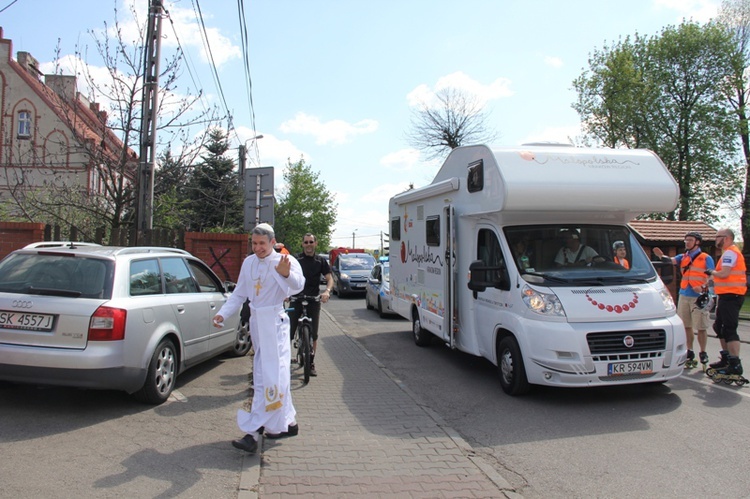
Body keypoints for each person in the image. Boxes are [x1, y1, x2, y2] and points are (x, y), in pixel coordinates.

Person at [213, 223, 305, 454]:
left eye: (262, 244)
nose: (257, 248)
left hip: (274, 323)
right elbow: (239, 294)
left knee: (270, 378)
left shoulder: (285, 261)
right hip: (257, 322)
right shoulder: (249, 263)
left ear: (273, 242)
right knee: (269, 375)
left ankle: (253, 433)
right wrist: (223, 313)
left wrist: (285, 274)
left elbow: (298, 286)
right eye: (254, 243)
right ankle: (288, 423)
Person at [653, 231, 715, 369]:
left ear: (697, 242)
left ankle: (703, 352)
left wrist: (704, 286)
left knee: (701, 326)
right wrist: (660, 256)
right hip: (684, 294)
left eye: (690, 240)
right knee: (686, 325)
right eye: (685, 240)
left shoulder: (706, 258)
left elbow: (713, 277)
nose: (687, 242)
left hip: (698, 297)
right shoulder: (683, 257)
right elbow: (670, 260)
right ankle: (690, 351)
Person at [289, 233, 333, 377]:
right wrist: (285, 292)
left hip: (314, 299)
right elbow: (286, 276)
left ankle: (311, 361)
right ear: (302, 244)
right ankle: (283, 361)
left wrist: (326, 291)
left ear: (316, 243)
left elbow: (329, 278)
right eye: (306, 242)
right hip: (296, 298)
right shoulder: (296, 260)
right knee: (289, 331)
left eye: (311, 242)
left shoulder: (320, 261)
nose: (308, 244)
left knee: (313, 334)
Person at [706, 228, 746, 376]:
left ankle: (735, 364)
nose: (716, 239)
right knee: (719, 326)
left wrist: (711, 272)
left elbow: (724, 273)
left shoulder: (730, 252)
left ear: (727, 238)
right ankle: (727, 358)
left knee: (729, 328)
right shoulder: (727, 253)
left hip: (732, 295)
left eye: (718, 237)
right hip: (725, 295)